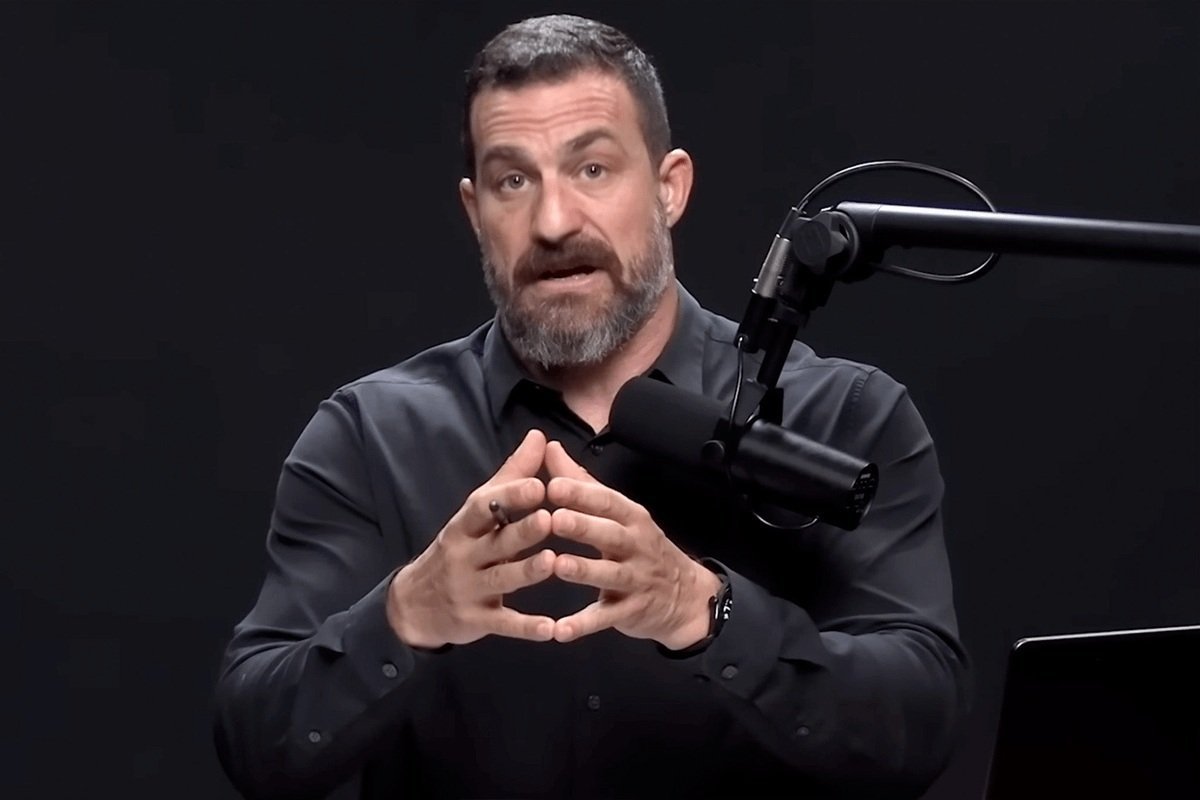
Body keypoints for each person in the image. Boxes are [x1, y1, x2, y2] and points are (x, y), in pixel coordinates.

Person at [214, 14, 968, 800]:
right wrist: (406, 614)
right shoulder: (368, 438)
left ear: (670, 188)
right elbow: (259, 748)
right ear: (475, 212)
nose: (553, 222)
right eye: (513, 181)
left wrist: (704, 612)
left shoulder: (843, 417)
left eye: (593, 169)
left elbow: (918, 727)